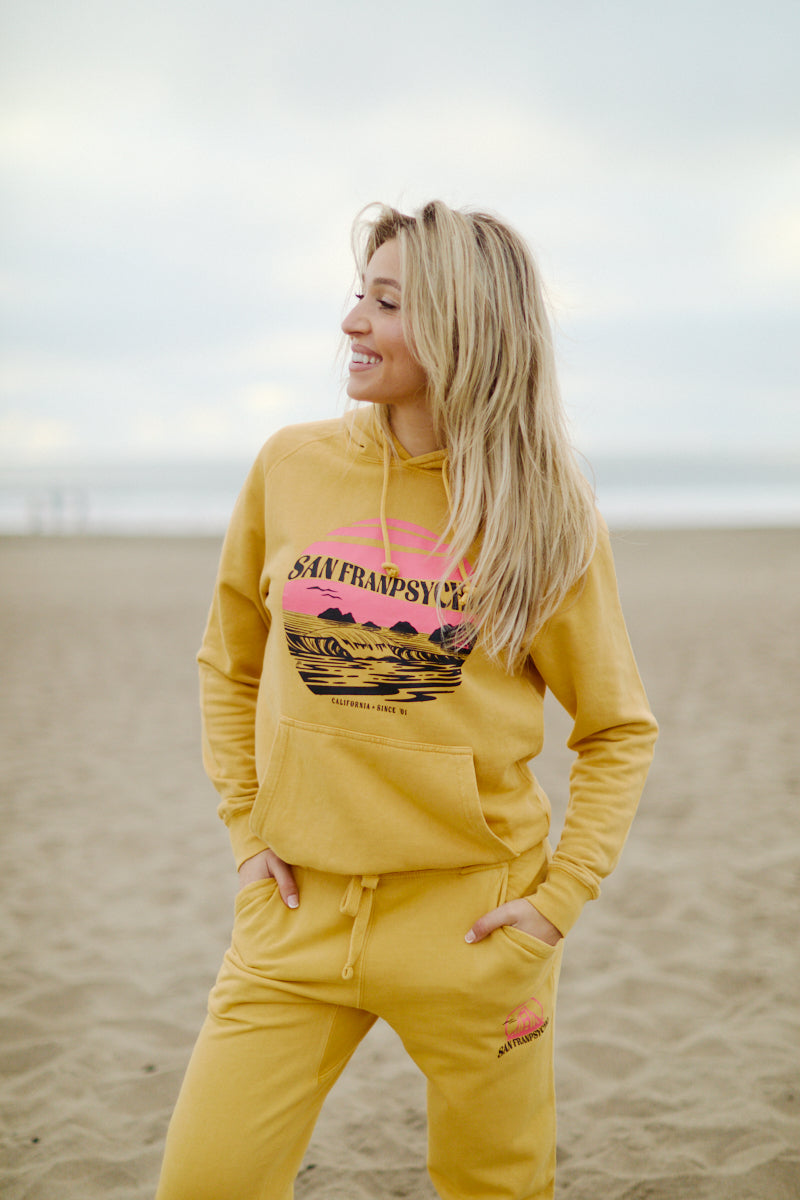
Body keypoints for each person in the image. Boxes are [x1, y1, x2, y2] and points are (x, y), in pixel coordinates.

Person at [155, 200, 658, 1200]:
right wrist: (246, 829)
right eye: (360, 295)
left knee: (495, 1189)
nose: (352, 322)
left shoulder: (545, 513)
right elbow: (229, 663)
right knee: (205, 1183)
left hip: (475, 932)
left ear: (464, 330)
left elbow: (615, 729)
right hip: (292, 915)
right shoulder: (291, 465)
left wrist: (555, 904)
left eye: (386, 303)